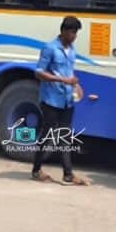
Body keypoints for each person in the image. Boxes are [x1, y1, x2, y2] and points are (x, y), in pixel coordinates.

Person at [31, 16, 89, 186]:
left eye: (76, 33)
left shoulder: (72, 50)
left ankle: (68, 174)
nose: (74, 36)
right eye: (72, 32)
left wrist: (76, 86)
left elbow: (69, 72)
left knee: (65, 136)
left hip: (67, 100)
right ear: (63, 31)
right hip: (50, 99)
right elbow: (38, 72)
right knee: (47, 135)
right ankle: (36, 170)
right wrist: (62, 80)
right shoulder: (50, 48)